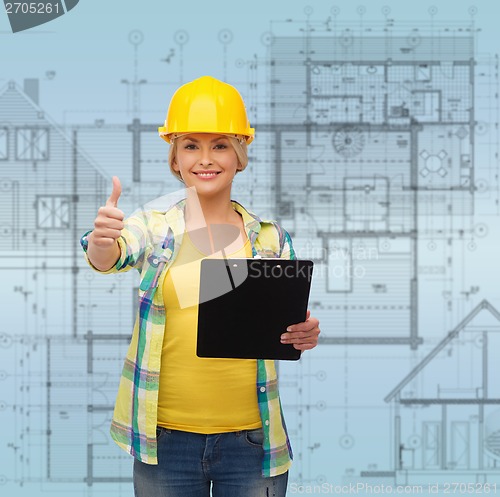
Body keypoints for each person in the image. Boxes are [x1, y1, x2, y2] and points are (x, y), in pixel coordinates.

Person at [80, 75, 321, 497]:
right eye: (191, 145)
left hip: (252, 443)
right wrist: (101, 241)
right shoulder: (151, 228)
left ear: (239, 155)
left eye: (220, 145)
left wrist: (303, 333)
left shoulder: (269, 240)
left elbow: (287, 326)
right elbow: (112, 254)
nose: (205, 158)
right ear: (175, 157)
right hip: (166, 442)